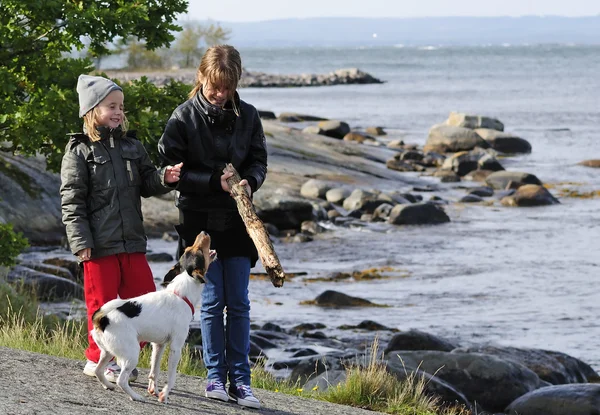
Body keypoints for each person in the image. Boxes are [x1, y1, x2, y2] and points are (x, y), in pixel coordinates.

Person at [158, 45, 267, 409]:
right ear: (201, 77)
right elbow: (173, 174)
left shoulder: (249, 115)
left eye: (228, 87)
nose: (221, 94)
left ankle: (242, 382)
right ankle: (214, 378)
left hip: (239, 219)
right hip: (198, 222)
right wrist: (211, 182)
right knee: (211, 303)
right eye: (215, 86)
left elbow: (258, 160)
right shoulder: (182, 117)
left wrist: (250, 181)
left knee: (238, 303)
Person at [60, 74, 183, 382]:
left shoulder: (133, 147)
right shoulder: (79, 152)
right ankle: (96, 359)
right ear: (92, 110)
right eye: (111, 106)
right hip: (98, 245)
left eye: (121, 107)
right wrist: (80, 242)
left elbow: (147, 182)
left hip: (132, 242)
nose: (118, 112)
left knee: (144, 301)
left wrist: (164, 177)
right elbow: (72, 201)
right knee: (101, 306)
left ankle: (124, 355)